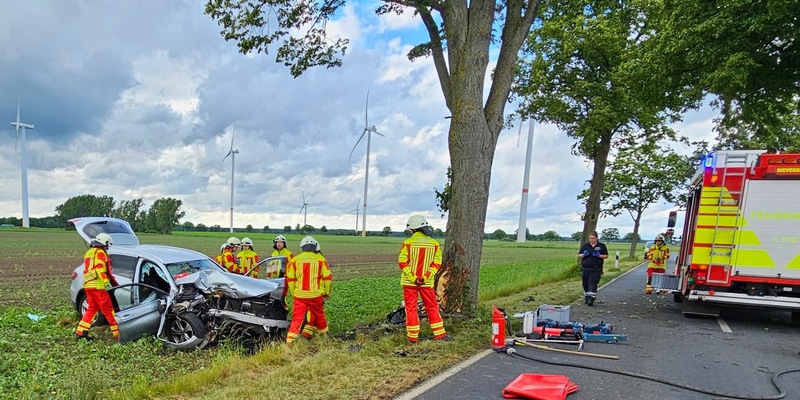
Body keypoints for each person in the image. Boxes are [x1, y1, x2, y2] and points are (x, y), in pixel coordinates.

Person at [398, 215, 450, 343]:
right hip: (427, 283)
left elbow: (402, 262)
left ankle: (412, 337)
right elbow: (437, 263)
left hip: (409, 283)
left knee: (411, 308)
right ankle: (440, 334)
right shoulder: (434, 244)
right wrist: (426, 276)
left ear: (414, 229)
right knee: (431, 306)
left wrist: (413, 278)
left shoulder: (407, 244)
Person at [285, 236, 331, 345]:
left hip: (300, 295)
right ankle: (324, 336)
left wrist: (293, 292)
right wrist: (326, 292)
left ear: (302, 247)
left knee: (297, 318)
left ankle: (290, 341)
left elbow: (290, 279)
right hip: (315, 294)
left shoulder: (294, 260)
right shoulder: (320, 260)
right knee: (319, 315)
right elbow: (328, 278)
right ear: (314, 247)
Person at [75, 233, 120, 341]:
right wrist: (106, 282)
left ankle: (80, 332)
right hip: (98, 287)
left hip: (88, 286)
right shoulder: (100, 253)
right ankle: (118, 335)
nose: (107, 246)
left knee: (91, 309)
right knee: (109, 310)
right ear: (103, 242)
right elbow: (99, 269)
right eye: (107, 244)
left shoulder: (89, 253)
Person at [578, 231, 608, 306]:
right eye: (590, 238)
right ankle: (587, 296)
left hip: (596, 268)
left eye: (593, 238)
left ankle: (592, 298)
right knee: (585, 283)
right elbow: (579, 255)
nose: (591, 240)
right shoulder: (586, 246)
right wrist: (584, 255)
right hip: (585, 268)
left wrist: (599, 256)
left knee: (592, 282)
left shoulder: (601, 246)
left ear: (597, 238)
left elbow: (606, 256)